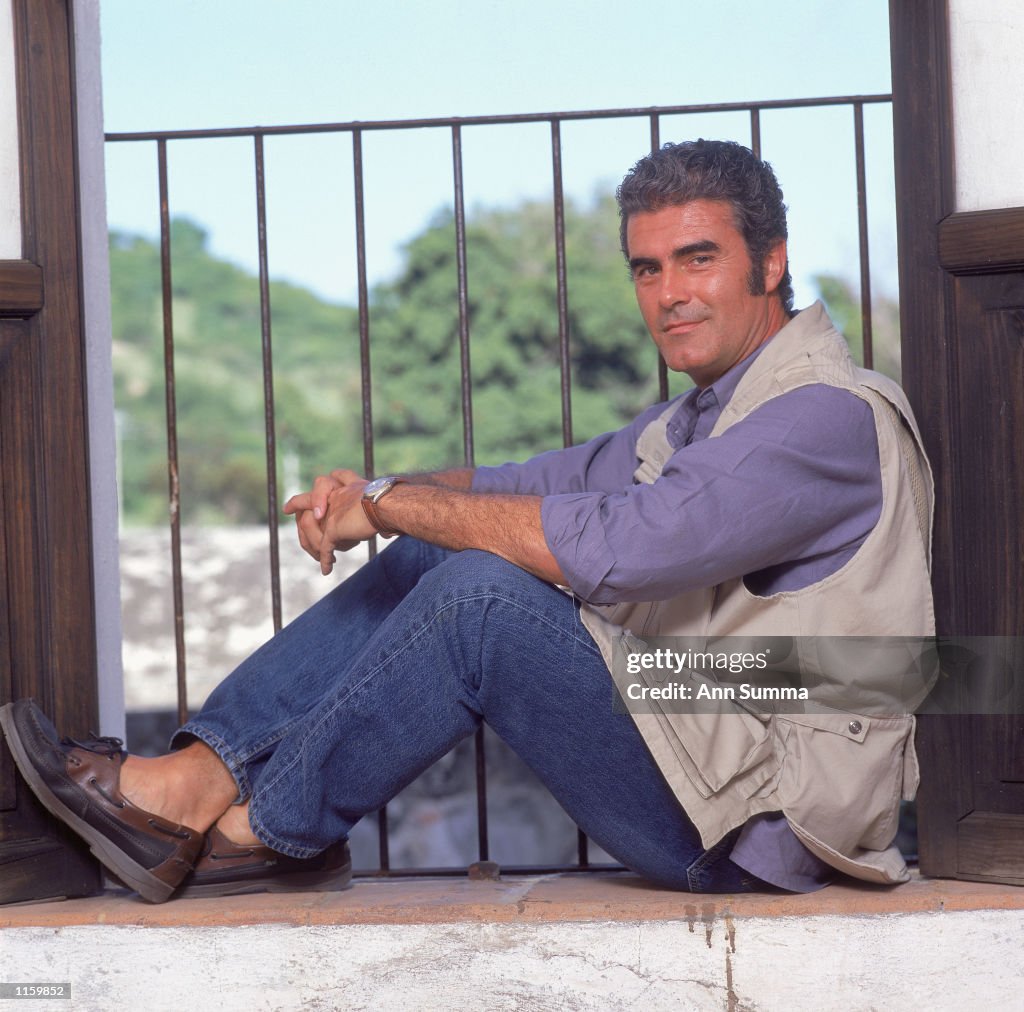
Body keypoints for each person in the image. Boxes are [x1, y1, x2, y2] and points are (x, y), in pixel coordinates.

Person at [0, 139, 934, 903]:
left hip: (765, 821)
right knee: (445, 539)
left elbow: (625, 554)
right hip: (703, 743)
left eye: (700, 259)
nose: (670, 294)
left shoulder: (824, 414)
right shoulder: (699, 417)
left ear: (771, 262)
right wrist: (381, 492)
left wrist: (393, 504)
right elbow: (524, 480)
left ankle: (262, 829)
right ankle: (201, 778)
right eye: (648, 269)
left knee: (480, 595)